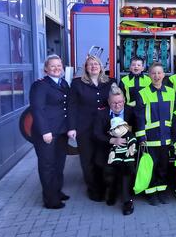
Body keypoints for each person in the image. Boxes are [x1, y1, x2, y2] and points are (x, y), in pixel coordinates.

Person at [30, 55, 76, 209]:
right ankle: (50, 200)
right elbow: (37, 109)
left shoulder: (63, 83)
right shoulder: (40, 85)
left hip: (61, 131)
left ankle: (56, 191)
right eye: (53, 66)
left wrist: (70, 127)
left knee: (59, 164)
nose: (57, 68)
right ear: (46, 69)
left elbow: (68, 107)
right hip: (47, 133)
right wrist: (45, 131)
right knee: (47, 165)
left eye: (59, 66)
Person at [68, 55, 116, 202]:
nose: (93, 66)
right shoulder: (77, 84)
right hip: (85, 128)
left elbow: (117, 102)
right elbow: (72, 106)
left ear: (101, 66)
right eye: (90, 64)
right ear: (86, 68)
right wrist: (72, 128)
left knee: (102, 159)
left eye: (96, 64)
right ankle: (94, 190)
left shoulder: (110, 82)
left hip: (104, 129)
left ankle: (105, 187)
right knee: (87, 161)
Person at [134, 62, 176, 205]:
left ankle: (162, 191)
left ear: (164, 75)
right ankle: (151, 193)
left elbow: (175, 116)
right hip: (150, 138)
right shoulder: (143, 93)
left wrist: (175, 136)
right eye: (154, 73)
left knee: (163, 167)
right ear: (149, 75)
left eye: (159, 73)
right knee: (151, 167)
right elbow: (139, 117)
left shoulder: (171, 92)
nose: (157, 76)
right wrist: (141, 137)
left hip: (166, 137)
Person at [93, 83, 136, 214]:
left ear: (124, 100)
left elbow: (138, 129)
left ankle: (127, 201)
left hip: (127, 152)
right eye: (114, 103)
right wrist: (112, 140)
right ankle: (111, 192)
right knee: (109, 176)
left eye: (120, 102)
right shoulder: (101, 114)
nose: (117, 106)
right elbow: (96, 133)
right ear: (108, 102)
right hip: (108, 150)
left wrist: (131, 144)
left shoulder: (131, 111)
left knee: (126, 174)